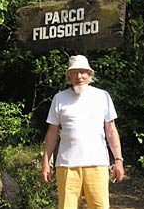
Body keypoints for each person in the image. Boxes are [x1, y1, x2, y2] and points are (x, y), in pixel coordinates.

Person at [41, 55, 125, 209]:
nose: (79, 76)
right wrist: (46, 163)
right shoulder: (59, 98)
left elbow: (111, 130)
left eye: (82, 72)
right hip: (66, 166)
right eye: (74, 72)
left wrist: (118, 160)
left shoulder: (102, 96)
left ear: (89, 74)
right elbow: (52, 133)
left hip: (97, 164)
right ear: (69, 76)